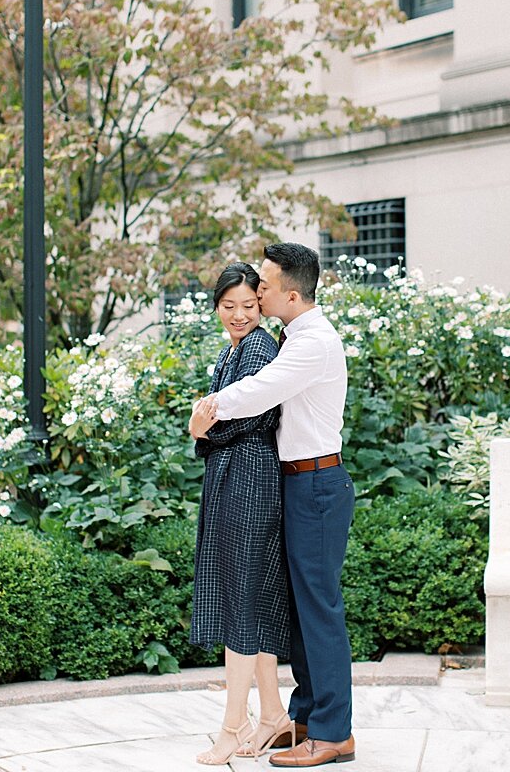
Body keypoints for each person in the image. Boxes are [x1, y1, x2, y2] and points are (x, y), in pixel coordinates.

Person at [191, 242, 356, 769]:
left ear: (289, 292)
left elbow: (260, 392)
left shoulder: (312, 344)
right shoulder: (293, 334)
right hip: (297, 482)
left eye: (262, 285)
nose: (255, 294)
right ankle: (302, 718)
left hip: (317, 484)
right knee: (302, 610)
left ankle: (333, 734)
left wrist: (206, 412)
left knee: (321, 611)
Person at [187, 262, 294, 765]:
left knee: (242, 599)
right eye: (228, 306)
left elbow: (256, 414)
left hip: (251, 481)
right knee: (246, 595)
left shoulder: (260, 347)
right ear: (217, 308)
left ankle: (234, 726)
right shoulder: (231, 350)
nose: (239, 315)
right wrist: (204, 429)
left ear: (260, 303)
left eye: (248, 305)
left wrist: (203, 430)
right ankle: (272, 714)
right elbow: (213, 415)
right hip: (233, 479)